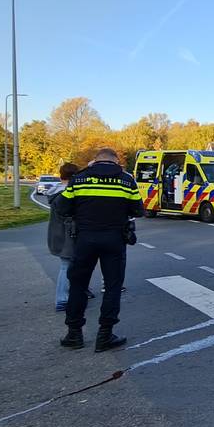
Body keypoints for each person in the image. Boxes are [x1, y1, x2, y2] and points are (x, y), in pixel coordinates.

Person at [58, 147, 144, 352]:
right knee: (113, 287)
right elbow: (138, 209)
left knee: (78, 285)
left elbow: (62, 207)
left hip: (85, 239)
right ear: (116, 161)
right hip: (114, 239)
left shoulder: (79, 179)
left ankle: (74, 334)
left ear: (94, 161)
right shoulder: (126, 180)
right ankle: (105, 335)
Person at [46, 162, 95, 312]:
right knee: (67, 266)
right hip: (69, 234)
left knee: (72, 265)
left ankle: (80, 291)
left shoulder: (54, 191)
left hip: (57, 234)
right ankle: (62, 299)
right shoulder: (67, 194)